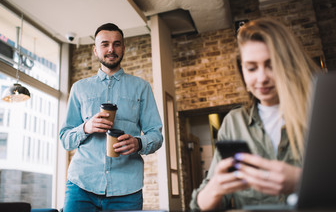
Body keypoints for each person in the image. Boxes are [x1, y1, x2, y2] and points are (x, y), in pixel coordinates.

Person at [190, 17, 321, 210]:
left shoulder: (320, 114)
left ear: (289, 64)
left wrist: (301, 181)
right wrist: (216, 188)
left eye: (271, 65)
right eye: (251, 68)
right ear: (242, 70)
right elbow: (201, 205)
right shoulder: (234, 123)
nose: (261, 78)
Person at [60, 23, 163, 211]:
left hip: (127, 190)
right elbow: (65, 139)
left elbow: (156, 134)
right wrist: (86, 127)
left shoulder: (141, 87)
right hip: (81, 186)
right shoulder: (79, 88)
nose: (111, 49)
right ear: (95, 49)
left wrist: (139, 143)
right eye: (105, 44)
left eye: (116, 44)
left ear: (123, 48)